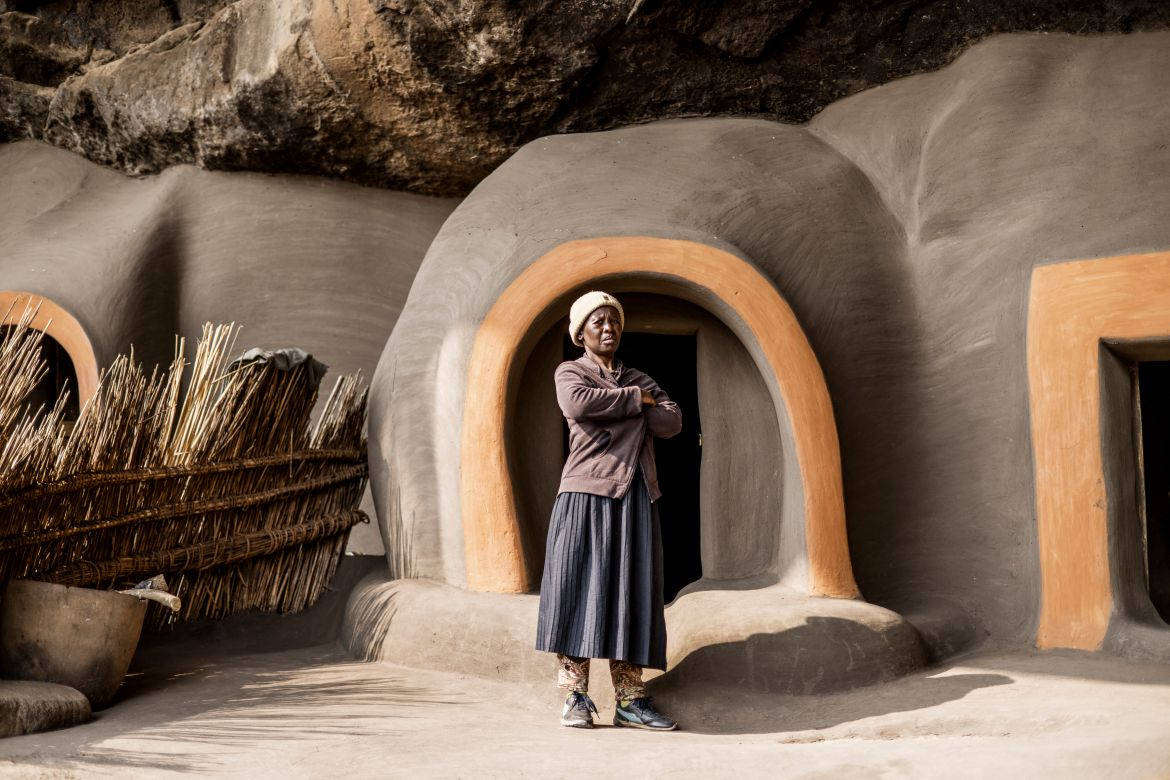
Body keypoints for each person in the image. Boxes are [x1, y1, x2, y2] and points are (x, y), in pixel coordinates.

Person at [534, 290, 683, 730]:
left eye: (613, 321)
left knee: (631, 591)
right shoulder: (570, 372)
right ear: (580, 333)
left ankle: (630, 700)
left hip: (636, 495)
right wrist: (638, 401)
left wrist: (628, 401)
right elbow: (578, 404)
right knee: (578, 587)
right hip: (585, 493)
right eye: (597, 322)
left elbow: (672, 422)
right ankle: (575, 697)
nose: (607, 328)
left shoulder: (637, 375)